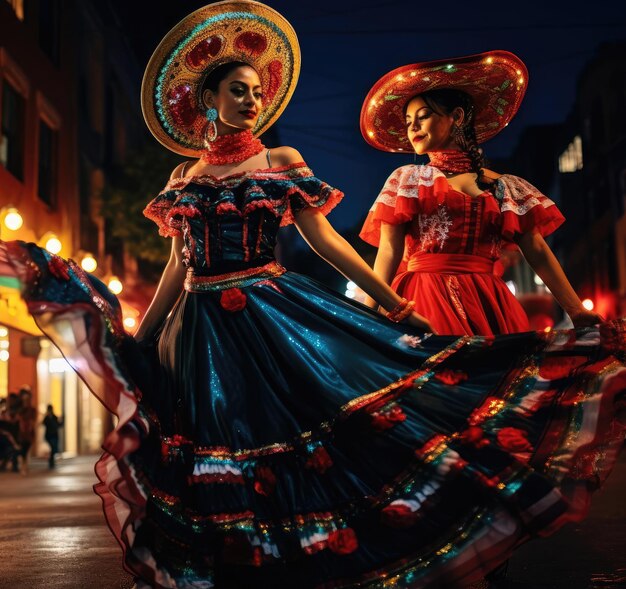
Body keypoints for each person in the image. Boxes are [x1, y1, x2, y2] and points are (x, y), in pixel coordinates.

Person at [0, 6, 625, 588]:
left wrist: (394, 301)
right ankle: (244, 560)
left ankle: (310, 556)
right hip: (200, 329)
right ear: (208, 101)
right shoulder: (183, 178)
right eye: (237, 91)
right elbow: (174, 267)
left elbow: (329, 244)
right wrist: (145, 335)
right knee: (221, 441)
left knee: (311, 432)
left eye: (256, 91)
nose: (252, 101)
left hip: (277, 315)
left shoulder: (281, 159)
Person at [359, 50, 602, 336]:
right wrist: (364, 312)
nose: (412, 127)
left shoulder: (504, 187)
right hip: (422, 298)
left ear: (456, 117)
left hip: (489, 304)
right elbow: (388, 251)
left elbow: (537, 250)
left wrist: (576, 310)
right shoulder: (408, 180)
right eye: (408, 120)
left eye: (423, 116)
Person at [42, 404, 63, 469]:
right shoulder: (46, 418)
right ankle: (51, 462)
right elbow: (44, 423)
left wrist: (62, 420)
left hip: (54, 435)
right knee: (53, 447)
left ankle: (51, 462)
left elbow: (59, 425)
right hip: (49, 436)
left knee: (54, 449)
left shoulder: (55, 417)